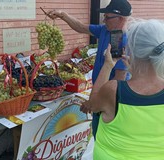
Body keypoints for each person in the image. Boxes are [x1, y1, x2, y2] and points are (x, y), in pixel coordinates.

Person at [47, 0, 132, 139]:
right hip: (99, 95)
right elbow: (81, 27)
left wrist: (95, 101)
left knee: (104, 137)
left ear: (121, 19)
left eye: (108, 17)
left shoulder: (125, 42)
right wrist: (63, 15)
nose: (104, 20)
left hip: (110, 102)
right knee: (97, 134)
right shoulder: (106, 30)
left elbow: (118, 82)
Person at [85, 19, 164, 159]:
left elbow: (92, 104)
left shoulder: (114, 90)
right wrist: (135, 71)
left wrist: (108, 65)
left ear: (130, 49)